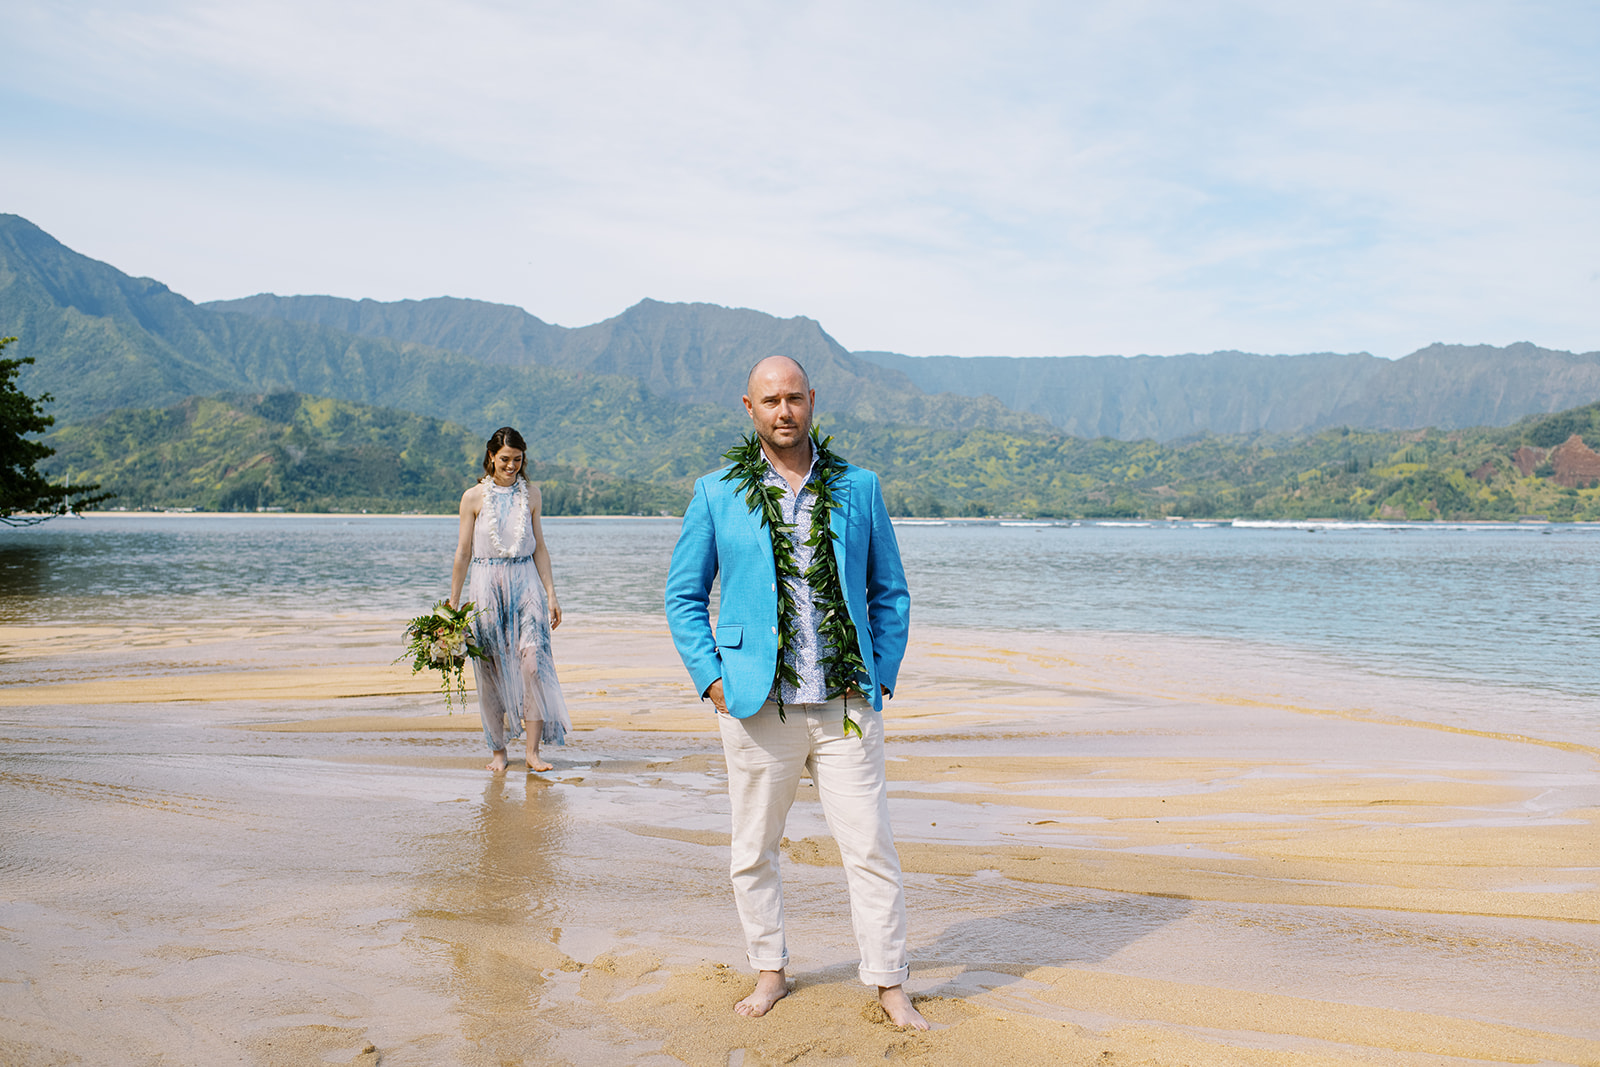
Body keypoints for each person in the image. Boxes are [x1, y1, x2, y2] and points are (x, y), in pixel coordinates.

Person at [664, 356, 927, 1029]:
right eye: (769, 400)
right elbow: (684, 596)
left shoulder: (859, 487)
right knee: (753, 849)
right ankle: (770, 970)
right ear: (748, 407)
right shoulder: (716, 492)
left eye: (793, 398)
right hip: (756, 703)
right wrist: (712, 679)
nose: (784, 411)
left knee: (871, 849)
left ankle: (890, 982)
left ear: (812, 399)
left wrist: (881, 672)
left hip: (846, 703)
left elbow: (890, 590)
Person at [449, 426, 569, 774]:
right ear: (491, 456)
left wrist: (551, 593)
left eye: (517, 459)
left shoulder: (532, 494)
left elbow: (540, 547)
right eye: (504, 459)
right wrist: (453, 603)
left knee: (534, 665)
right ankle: (499, 751)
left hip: (526, 582)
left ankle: (532, 752)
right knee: (491, 670)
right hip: (486, 587)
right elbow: (463, 552)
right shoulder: (473, 497)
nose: (511, 466)